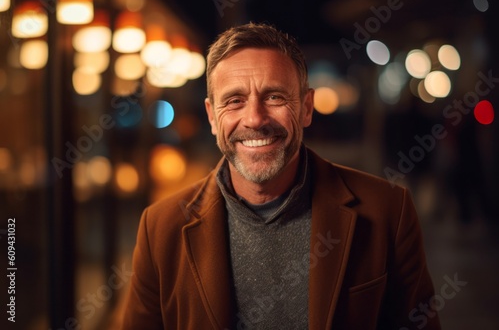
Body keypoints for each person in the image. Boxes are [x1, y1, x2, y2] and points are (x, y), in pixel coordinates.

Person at [121, 23, 441, 330]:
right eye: (234, 101)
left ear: (306, 107)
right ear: (212, 117)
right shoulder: (160, 228)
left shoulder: (388, 210)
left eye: (274, 97)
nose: (255, 118)